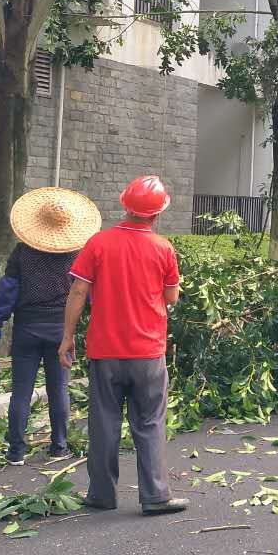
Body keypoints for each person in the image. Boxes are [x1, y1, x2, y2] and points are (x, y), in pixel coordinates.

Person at [59, 176, 188, 516]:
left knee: (103, 422)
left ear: (125, 206)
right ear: (157, 214)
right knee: (149, 422)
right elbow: (172, 296)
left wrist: (67, 337)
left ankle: (102, 494)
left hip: (106, 350)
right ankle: (156, 496)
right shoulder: (163, 248)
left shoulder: (98, 244)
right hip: (148, 353)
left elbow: (77, 292)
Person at [0, 187, 101, 465]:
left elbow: (8, 290)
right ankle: (58, 447)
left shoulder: (22, 253)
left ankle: (16, 451)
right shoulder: (78, 255)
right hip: (63, 331)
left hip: (26, 328)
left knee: (21, 391)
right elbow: (87, 294)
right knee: (59, 389)